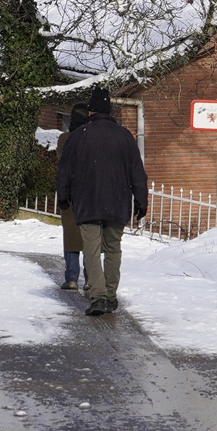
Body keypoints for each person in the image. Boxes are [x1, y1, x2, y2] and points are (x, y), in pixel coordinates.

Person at [55, 87, 147, 317]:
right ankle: (111, 295)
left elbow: (64, 171)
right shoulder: (125, 136)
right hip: (117, 203)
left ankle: (97, 297)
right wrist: (141, 202)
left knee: (92, 250)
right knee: (114, 249)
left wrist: (64, 196)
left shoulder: (78, 136)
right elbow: (138, 172)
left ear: (90, 111)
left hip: (87, 203)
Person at [53, 103, 90, 290]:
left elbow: (62, 164)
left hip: (69, 192)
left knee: (71, 236)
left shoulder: (65, 139)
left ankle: (72, 278)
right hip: (91, 194)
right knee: (91, 237)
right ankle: (90, 279)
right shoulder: (93, 138)